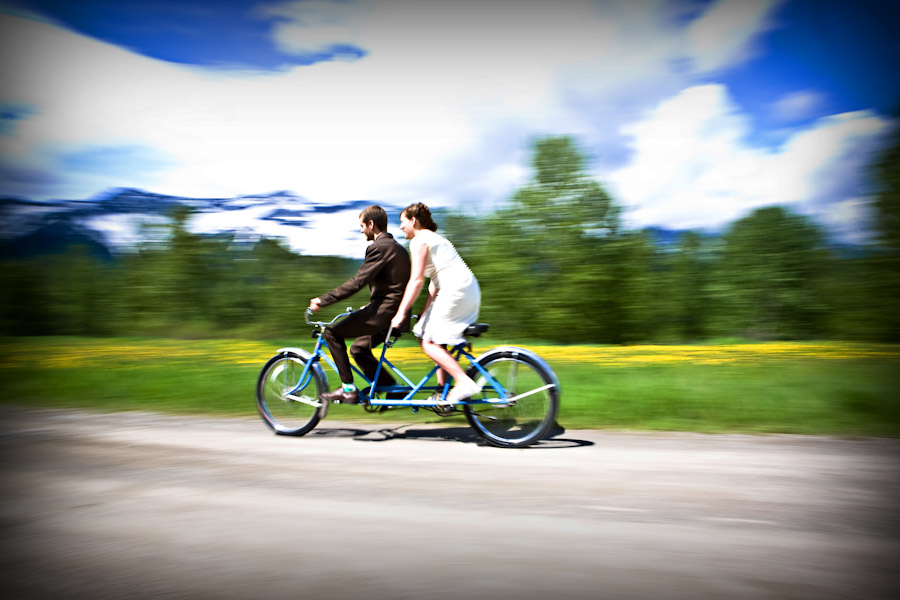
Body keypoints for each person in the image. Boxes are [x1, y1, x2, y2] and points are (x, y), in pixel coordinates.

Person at [309, 205, 411, 404]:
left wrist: (324, 300)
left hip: (383, 314)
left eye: (362, 225)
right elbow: (392, 287)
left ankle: (348, 388)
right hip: (397, 315)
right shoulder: (398, 248)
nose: (361, 230)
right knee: (358, 349)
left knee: (331, 333)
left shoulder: (378, 247)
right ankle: (392, 389)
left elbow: (357, 282)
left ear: (371, 224)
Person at [390, 202, 482, 405]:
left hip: (455, 291)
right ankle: (443, 390)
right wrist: (424, 314)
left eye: (402, 222)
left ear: (413, 221)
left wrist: (401, 313)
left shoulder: (419, 240)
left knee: (428, 342)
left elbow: (416, 280)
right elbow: (434, 284)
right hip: (469, 290)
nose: (400, 227)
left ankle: (463, 381)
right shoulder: (437, 239)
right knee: (428, 333)